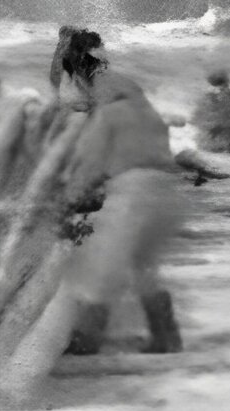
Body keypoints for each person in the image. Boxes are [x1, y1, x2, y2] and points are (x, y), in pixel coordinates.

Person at [57, 29, 185, 354]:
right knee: (145, 268)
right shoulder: (147, 112)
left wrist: (66, 201)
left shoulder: (107, 115)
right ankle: (166, 336)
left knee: (98, 266)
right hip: (167, 190)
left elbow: (88, 168)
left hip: (133, 193)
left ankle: (87, 339)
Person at [190, 69, 230, 155]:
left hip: (214, 135)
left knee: (210, 153)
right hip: (226, 136)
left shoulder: (209, 96)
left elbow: (197, 116)